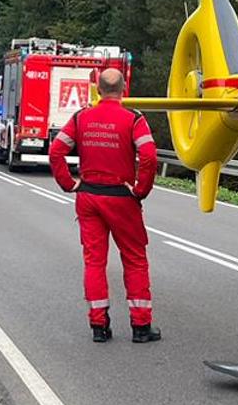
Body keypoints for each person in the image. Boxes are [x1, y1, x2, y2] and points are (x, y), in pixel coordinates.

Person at [48, 68, 160, 344]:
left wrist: (68, 183)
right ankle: (141, 327)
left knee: (94, 261)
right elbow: (148, 156)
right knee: (134, 259)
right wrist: (140, 190)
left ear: (98, 90)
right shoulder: (134, 119)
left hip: (88, 197)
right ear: (124, 90)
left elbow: (56, 151)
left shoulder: (81, 117)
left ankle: (99, 326)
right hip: (122, 197)